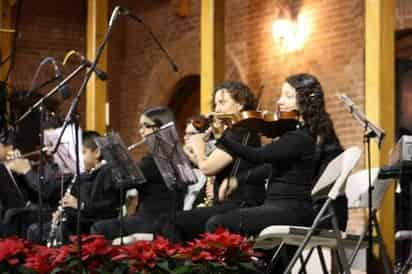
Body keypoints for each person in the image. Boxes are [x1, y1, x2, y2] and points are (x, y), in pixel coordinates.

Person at [205, 73, 343, 236]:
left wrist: (223, 137)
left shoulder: (300, 137)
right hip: (282, 207)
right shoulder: (298, 134)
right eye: (281, 95)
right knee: (221, 221)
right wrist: (238, 180)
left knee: (218, 223)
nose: (279, 101)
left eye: (288, 96)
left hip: (291, 210)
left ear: (305, 101)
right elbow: (268, 167)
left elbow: (257, 156)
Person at [159, 80, 266, 243]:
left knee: (171, 222)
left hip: (241, 204)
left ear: (240, 105)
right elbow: (213, 165)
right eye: (216, 104)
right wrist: (193, 155)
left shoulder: (241, 131)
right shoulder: (234, 132)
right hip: (228, 203)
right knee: (172, 220)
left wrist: (198, 144)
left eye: (222, 102)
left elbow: (208, 168)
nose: (217, 109)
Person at [90, 107, 186, 240]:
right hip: (166, 219)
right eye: (141, 126)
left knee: (99, 227)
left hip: (154, 220)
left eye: (146, 126)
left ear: (161, 128)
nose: (141, 131)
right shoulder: (174, 155)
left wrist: (112, 165)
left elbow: (122, 184)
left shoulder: (153, 161)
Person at [27, 130, 120, 244]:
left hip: (91, 223)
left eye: (83, 153)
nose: (78, 159)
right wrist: (64, 212)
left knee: (38, 231)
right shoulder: (84, 174)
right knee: (35, 229)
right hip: (78, 220)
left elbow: (107, 209)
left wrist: (79, 205)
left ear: (97, 152)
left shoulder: (106, 172)